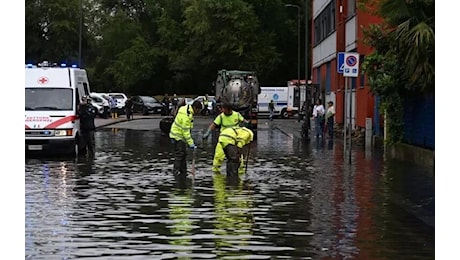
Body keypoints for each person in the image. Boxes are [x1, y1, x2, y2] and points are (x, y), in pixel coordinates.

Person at [169, 100, 203, 177]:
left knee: (183, 154)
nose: (198, 113)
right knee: (180, 155)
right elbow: (185, 131)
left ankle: (183, 172)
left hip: (177, 135)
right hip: (178, 136)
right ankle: (176, 173)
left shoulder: (186, 109)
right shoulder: (186, 115)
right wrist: (191, 143)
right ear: (195, 108)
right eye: (198, 110)